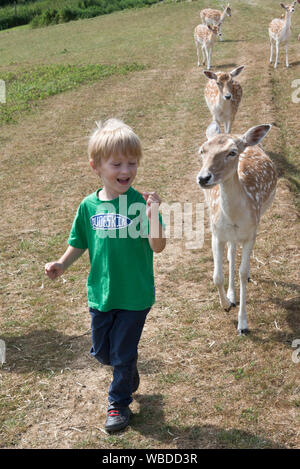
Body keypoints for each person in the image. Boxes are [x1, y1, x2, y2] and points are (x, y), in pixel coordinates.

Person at [45, 118, 166, 432]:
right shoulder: (88, 206)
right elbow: (79, 243)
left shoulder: (140, 204)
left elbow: (158, 246)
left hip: (135, 296)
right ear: (95, 166)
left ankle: (118, 404)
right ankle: (127, 369)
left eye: (132, 163)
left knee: (122, 353)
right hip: (101, 294)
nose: (125, 171)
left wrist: (154, 218)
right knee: (103, 352)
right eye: (117, 164)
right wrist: (61, 263)